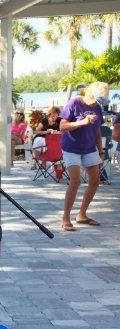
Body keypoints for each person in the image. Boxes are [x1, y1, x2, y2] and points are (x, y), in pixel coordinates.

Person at [59, 81, 109, 232]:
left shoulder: (97, 108)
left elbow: (98, 132)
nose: (97, 103)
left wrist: (100, 152)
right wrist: (82, 122)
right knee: (75, 181)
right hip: (71, 147)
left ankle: (82, 215)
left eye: (100, 101)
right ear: (89, 93)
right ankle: (66, 218)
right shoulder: (74, 103)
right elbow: (62, 126)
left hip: (89, 148)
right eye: (97, 99)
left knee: (95, 181)